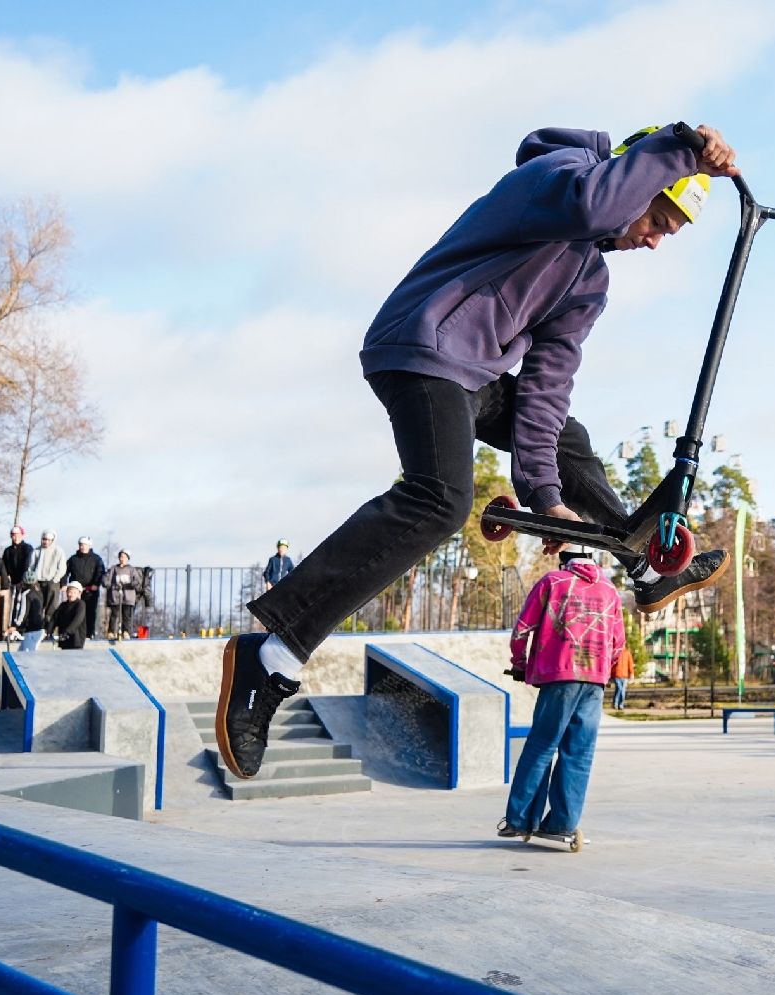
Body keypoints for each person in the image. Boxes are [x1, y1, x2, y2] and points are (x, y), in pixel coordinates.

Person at [217, 122, 740, 781]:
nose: (656, 241)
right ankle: (273, 656)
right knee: (438, 499)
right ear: (639, 179)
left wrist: (546, 497)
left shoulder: (589, 280)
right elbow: (591, 204)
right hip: (422, 345)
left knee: (565, 436)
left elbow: (547, 389)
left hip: (479, 378)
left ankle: (641, 561)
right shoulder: (554, 179)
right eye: (660, 218)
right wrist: (677, 149)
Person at [498, 551, 626, 841]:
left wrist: (520, 663)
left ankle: (519, 819)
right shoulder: (609, 589)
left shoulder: (553, 582)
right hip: (595, 680)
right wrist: (603, 667)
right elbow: (618, 643)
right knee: (579, 752)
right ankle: (562, 823)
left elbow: (522, 630)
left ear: (564, 561)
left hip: (559, 676)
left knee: (542, 745)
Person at [65, 537, 107, 639]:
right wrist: (63, 584)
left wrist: (96, 584)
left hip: (90, 591)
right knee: (74, 612)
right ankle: (74, 633)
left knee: (90, 612)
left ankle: (89, 633)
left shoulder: (96, 559)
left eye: (85, 545)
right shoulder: (73, 559)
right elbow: (65, 572)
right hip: (76, 591)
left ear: (89, 546)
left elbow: (100, 572)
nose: (83, 547)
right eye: (81, 545)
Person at [2, 525, 36, 643]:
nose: (15, 537)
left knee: (22, 605)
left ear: (22, 535)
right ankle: (11, 628)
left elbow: (27, 565)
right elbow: (4, 568)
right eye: (13, 535)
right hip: (13, 582)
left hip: (24, 582)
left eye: (17, 534)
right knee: (12, 606)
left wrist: (23, 580)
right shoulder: (8, 551)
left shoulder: (28, 548)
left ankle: (20, 628)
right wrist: (7, 579)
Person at [102, 550, 143, 641]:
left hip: (128, 596)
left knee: (127, 615)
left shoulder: (131, 569)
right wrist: (109, 584)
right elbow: (106, 579)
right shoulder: (113, 569)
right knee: (114, 614)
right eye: (121, 557)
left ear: (127, 558)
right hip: (115, 596)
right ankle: (111, 632)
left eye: (124, 557)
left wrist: (131, 584)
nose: (122, 559)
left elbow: (137, 581)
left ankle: (126, 632)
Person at [31, 530, 66, 619]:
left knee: (51, 608)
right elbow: (31, 566)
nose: (46, 542)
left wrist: (55, 579)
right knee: (36, 606)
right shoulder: (37, 551)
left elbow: (62, 568)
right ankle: (36, 627)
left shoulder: (58, 551)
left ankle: (48, 629)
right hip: (38, 582)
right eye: (44, 539)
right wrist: (33, 580)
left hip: (52, 582)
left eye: (48, 540)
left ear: (52, 540)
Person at [48, 581, 88, 649]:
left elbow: (77, 620)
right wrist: (49, 630)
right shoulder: (63, 605)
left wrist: (67, 632)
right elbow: (55, 618)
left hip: (76, 639)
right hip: (64, 639)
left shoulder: (80, 604)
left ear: (79, 594)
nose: (71, 594)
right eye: (69, 592)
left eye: (74, 592)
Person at [610, 638, 634, 710]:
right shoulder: (616, 652)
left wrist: (631, 673)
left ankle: (620, 705)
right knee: (620, 689)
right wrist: (611, 675)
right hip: (617, 675)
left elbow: (630, 664)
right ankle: (616, 704)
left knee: (621, 691)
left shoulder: (627, 653)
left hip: (625, 676)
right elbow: (612, 664)